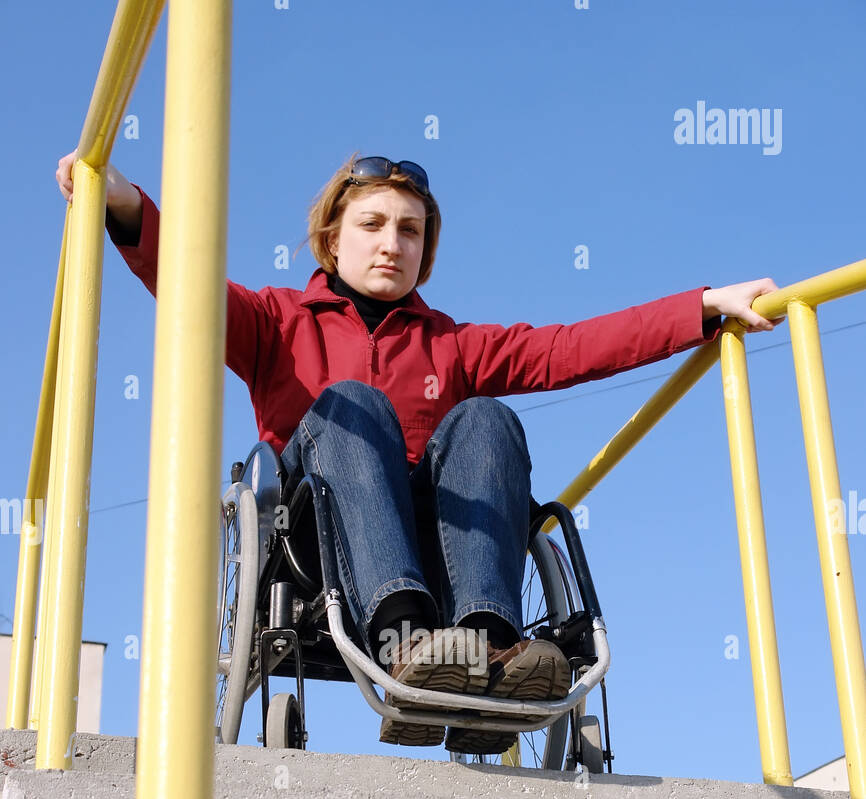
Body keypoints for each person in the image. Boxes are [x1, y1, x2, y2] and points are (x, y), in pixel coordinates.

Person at [55, 147, 783, 753]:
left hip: (442, 544)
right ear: (333, 239)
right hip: (320, 538)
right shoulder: (277, 322)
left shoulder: (452, 344)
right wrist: (123, 204)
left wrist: (702, 307)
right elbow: (187, 285)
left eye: (409, 231)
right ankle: (406, 638)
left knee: (486, 418)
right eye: (371, 224)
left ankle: (488, 650)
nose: (390, 243)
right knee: (350, 402)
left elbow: (570, 348)